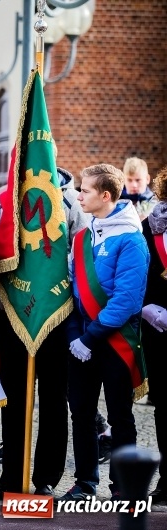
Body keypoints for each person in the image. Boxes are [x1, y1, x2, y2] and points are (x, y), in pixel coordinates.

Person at [0, 147, 88, 499]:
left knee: (54, 398)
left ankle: (45, 477)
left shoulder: (72, 202)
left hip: (58, 314)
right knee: (13, 397)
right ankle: (11, 477)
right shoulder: (1, 201)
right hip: (14, 311)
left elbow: (80, 257)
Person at [60, 163, 149, 501]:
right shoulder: (82, 237)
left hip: (113, 341)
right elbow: (71, 291)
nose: (79, 195)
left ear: (106, 195)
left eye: (85, 190)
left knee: (119, 415)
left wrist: (89, 337)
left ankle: (123, 484)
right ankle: (85, 483)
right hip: (80, 340)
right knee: (80, 413)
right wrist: (73, 336)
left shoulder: (131, 239)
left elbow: (127, 299)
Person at [139, 165, 167, 503]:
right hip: (159, 328)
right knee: (164, 406)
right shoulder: (149, 227)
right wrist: (150, 309)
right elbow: (138, 274)